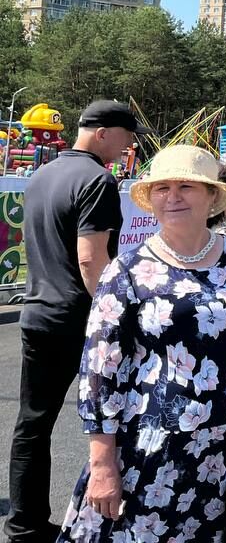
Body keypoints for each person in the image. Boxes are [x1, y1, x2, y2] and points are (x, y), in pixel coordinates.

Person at [54, 145, 226, 543]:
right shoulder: (127, 270)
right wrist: (103, 461)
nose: (172, 197)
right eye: (162, 188)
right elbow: (99, 372)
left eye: (186, 186)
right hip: (148, 448)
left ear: (212, 196)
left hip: (224, 447)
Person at [5, 101, 138, 543]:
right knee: (115, 417)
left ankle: (24, 526)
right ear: (102, 133)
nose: (128, 146)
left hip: (38, 312)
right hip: (77, 319)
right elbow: (89, 258)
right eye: (125, 136)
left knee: (33, 424)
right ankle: (123, 517)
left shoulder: (42, 174)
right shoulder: (97, 180)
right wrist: (113, 313)